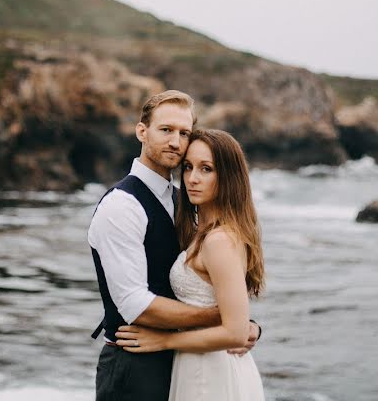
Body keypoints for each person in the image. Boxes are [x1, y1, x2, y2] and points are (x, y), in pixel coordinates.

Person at [88, 91, 260, 400]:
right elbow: (135, 304)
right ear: (142, 131)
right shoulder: (122, 206)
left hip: (185, 358)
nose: (175, 142)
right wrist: (227, 319)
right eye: (166, 130)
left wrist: (244, 324)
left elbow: (213, 280)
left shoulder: (185, 201)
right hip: (135, 361)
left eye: (184, 133)